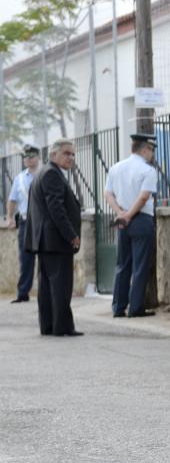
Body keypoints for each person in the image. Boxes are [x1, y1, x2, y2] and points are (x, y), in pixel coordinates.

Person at [24, 139, 83, 337]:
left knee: (48, 286)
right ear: (53, 154)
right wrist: (71, 235)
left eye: (72, 154)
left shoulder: (43, 173)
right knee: (61, 285)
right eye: (66, 153)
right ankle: (62, 327)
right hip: (56, 241)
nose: (70, 157)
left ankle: (49, 326)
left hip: (45, 241)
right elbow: (56, 209)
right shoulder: (51, 174)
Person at [104, 133, 160, 318]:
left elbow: (108, 194)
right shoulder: (147, 170)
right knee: (140, 265)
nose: (151, 154)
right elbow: (144, 197)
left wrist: (120, 213)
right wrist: (129, 214)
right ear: (145, 149)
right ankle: (135, 307)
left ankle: (118, 307)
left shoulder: (115, 168)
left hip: (123, 220)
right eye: (151, 150)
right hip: (141, 219)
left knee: (122, 264)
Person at [5, 145, 41, 303]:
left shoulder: (44, 174)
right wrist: (10, 217)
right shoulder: (19, 178)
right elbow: (12, 200)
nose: (27, 159)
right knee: (25, 259)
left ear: (37, 157)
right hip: (26, 222)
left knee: (46, 258)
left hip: (43, 223)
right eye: (25, 157)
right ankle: (23, 293)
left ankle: (46, 291)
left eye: (30, 157)